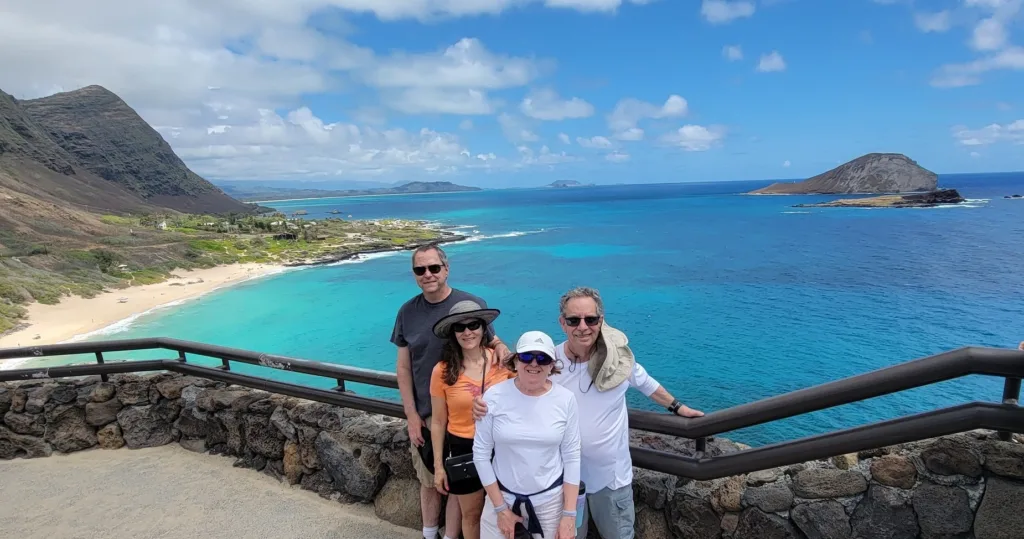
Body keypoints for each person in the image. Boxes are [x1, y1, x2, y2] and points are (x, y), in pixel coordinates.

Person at [474, 287, 703, 539]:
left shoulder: (618, 360)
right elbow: (519, 382)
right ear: (563, 323)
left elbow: (647, 384)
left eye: (590, 319)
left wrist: (678, 407)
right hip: (561, 483)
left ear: (600, 321)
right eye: (574, 320)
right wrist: (483, 405)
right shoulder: (550, 359)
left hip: (610, 478)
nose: (583, 326)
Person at [392, 243, 512, 539]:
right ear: (414, 274)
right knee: (431, 477)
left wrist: (503, 348)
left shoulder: (470, 303)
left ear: (446, 269)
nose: (428, 274)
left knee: (462, 484)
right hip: (428, 412)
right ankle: (430, 533)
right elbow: (404, 368)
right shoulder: (407, 312)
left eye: (434, 267)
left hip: (471, 421)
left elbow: (490, 343)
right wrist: (410, 415)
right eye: (421, 269)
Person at [474, 331, 581, 539]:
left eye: (542, 358)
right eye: (526, 356)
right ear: (515, 361)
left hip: (550, 504)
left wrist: (569, 515)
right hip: (500, 499)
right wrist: (500, 509)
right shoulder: (494, 396)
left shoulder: (566, 400)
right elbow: (480, 453)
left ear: (551, 365)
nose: (534, 363)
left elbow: (572, 456)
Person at [429, 300, 515, 539]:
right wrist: (438, 467)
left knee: (507, 511)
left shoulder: (503, 362)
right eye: (460, 327)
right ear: (453, 333)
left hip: (501, 447)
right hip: (464, 448)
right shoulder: (442, 371)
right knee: (471, 515)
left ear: (483, 328)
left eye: (474, 324)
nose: (468, 332)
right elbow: (438, 422)